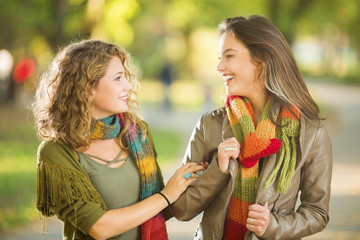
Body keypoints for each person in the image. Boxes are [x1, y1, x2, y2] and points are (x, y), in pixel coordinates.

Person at [172, 15, 333, 240]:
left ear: (262, 59)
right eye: (220, 57)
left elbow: (317, 213)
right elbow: (181, 208)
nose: (219, 66)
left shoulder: (311, 134)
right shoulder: (209, 125)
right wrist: (218, 170)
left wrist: (273, 226)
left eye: (229, 56)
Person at [32, 39, 205, 240]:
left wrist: (211, 171)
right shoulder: (56, 152)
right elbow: (100, 228)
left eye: (125, 77)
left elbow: (159, 209)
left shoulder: (136, 132)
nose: (128, 86)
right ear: (87, 88)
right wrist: (166, 195)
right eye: (118, 78)